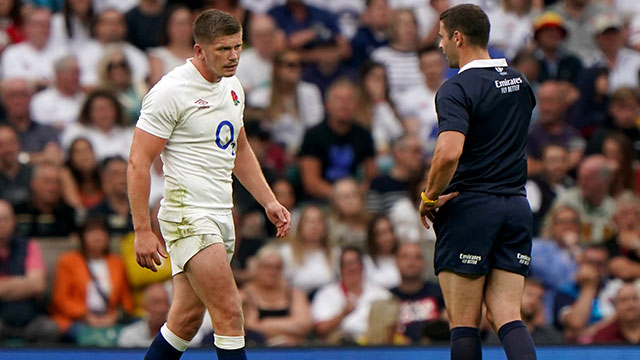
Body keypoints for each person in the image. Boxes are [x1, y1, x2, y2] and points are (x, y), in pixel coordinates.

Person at [128, 9, 290, 360]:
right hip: (189, 215)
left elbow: (240, 148)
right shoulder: (170, 91)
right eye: (223, 49)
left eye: (237, 47)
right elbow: (138, 161)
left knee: (185, 321)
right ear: (199, 50)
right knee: (230, 312)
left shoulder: (233, 86)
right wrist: (142, 229)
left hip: (220, 214)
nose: (233, 57)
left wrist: (268, 201)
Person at [418, 4, 537, 360]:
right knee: (506, 315)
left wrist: (429, 196)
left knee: (464, 323)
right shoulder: (520, 82)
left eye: (441, 38)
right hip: (516, 207)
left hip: (470, 208)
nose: (440, 46)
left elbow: (449, 152)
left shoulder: (455, 89)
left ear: (458, 37)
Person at [50, 216, 134, 344]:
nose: (97, 236)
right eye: (91, 232)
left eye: (101, 232)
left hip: (110, 318)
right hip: (78, 320)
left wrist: (114, 316)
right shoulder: (67, 261)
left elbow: (126, 300)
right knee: (84, 336)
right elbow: (61, 299)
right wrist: (87, 317)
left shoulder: (117, 262)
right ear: (82, 237)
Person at [0, 199, 60, 344]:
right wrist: (24, 284)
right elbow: (31, 284)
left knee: (49, 329)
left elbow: (38, 285)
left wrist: (4, 286)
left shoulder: (30, 246)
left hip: (30, 318)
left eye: (5, 219)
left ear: (14, 221)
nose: (1, 224)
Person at [311, 246, 391, 344]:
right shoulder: (326, 294)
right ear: (340, 269)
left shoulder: (381, 294)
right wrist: (343, 314)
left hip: (372, 348)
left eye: (355, 262)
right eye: (347, 264)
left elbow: (393, 327)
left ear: (362, 266)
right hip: (338, 349)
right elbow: (320, 330)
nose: (352, 268)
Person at [241, 245, 312, 346]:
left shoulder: (294, 294)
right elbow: (248, 328)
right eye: (267, 267)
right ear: (257, 268)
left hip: (293, 350)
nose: (272, 272)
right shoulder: (245, 295)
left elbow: (305, 325)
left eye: (277, 267)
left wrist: (266, 323)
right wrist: (284, 336)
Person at [390, 242, 446, 344]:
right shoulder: (388, 297)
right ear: (396, 262)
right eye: (405, 257)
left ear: (424, 263)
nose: (411, 262)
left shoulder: (440, 293)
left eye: (417, 257)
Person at [29, 55, 85, 131]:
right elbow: (40, 130)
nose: (77, 77)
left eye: (79, 73)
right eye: (74, 73)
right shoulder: (41, 100)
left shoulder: (84, 99)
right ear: (59, 74)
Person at [118, 282, 171, 347]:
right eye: (156, 303)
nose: (161, 309)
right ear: (145, 307)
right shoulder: (130, 335)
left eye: (165, 303)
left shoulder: (179, 335)